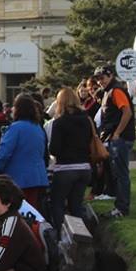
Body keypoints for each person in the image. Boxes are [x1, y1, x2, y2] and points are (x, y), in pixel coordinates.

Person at [47, 88, 93, 231]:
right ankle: (81, 237)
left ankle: (62, 236)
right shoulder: (86, 120)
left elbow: (54, 149)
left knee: (58, 203)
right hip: (84, 167)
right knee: (76, 205)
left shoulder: (59, 123)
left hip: (65, 168)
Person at [0, 94, 48, 209]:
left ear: (18, 109)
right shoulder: (38, 128)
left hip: (17, 177)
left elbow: (4, 152)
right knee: (30, 211)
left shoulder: (15, 128)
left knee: (16, 211)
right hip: (36, 176)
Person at [95, 65, 135, 218]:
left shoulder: (116, 91)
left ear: (110, 75)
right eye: (98, 79)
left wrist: (117, 133)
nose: (100, 82)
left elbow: (127, 112)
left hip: (120, 138)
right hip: (117, 138)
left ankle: (122, 208)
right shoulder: (109, 91)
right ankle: (120, 206)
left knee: (121, 174)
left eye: (102, 78)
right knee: (118, 173)